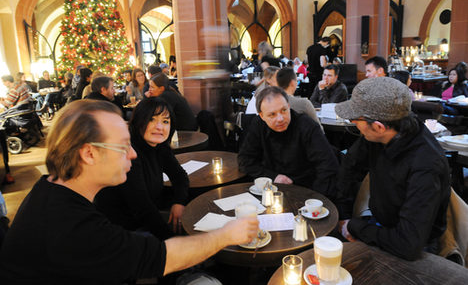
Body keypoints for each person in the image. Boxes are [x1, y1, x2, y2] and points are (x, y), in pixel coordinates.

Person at [0, 100, 258, 283]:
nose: (133, 153)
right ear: (89, 153)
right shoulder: (73, 226)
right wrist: (226, 234)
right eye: (123, 146)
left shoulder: (50, 188)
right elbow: (162, 256)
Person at [334, 77, 450, 261]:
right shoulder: (379, 134)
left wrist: (356, 227)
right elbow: (349, 167)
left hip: (415, 246)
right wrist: (344, 214)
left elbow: (408, 244)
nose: (353, 122)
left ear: (379, 126)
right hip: (381, 224)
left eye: (355, 119)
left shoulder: (426, 165)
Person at [95, 97, 189, 240]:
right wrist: (174, 242)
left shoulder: (160, 146)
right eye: (152, 119)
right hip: (123, 230)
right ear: (139, 121)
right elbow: (142, 208)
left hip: (147, 217)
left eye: (165, 121)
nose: (159, 127)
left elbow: (179, 176)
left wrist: (179, 202)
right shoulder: (130, 152)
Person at [238, 87, 338, 197]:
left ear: (289, 106)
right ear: (262, 116)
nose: (280, 118)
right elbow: (245, 160)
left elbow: (327, 166)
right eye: (272, 114)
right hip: (270, 189)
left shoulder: (307, 126)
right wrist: (273, 176)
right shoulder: (258, 125)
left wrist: (315, 199)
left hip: (306, 189)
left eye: (284, 110)